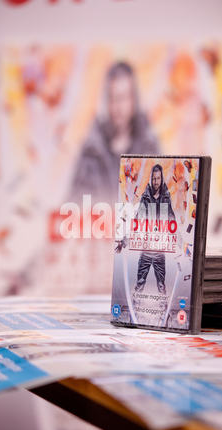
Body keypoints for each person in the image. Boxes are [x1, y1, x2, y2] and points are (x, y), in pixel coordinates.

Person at [71, 62, 160, 205]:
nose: (118, 106)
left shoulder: (150, 150)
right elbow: (72, 210)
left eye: (124, 97)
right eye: (113, 98)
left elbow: (164, 211)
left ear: (134, 99)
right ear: (107, 101)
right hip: (98, 226)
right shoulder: (91, 153)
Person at [115, 164, 175, 296]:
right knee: (139, 287)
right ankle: (134, 313)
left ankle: (163, 313)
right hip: (146, 251)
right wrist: (123, 242)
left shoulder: (166, 197)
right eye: (154, 178)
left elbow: (173, 224)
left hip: (159, 251)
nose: (155, 182)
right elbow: (137, 225)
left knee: (161, 289)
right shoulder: (145, 198)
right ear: (150, 179)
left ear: (161, 179)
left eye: (158, 178)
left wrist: (185, 247)